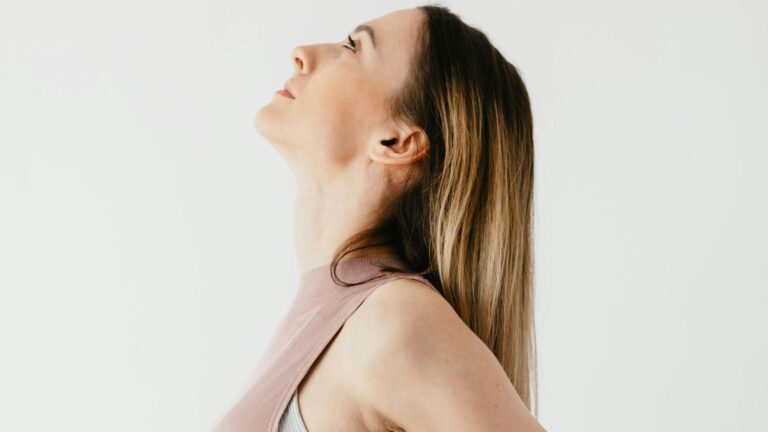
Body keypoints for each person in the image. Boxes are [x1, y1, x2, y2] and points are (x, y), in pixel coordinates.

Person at [215, 4, 545, 431]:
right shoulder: (331, 316)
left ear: (396, 142)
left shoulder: (392, 320)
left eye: (352, 47)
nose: (302, 53)